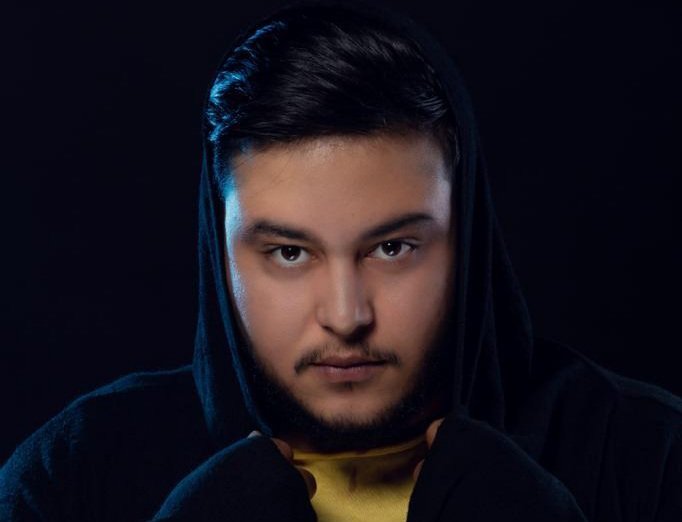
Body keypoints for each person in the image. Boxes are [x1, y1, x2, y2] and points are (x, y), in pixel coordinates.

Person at [1, 1, 680, 521]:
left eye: (393, 248)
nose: (347, 316)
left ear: (466, 238)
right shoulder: (77, 471)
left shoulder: (647, 455)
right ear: (221, 251)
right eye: (289, 253)